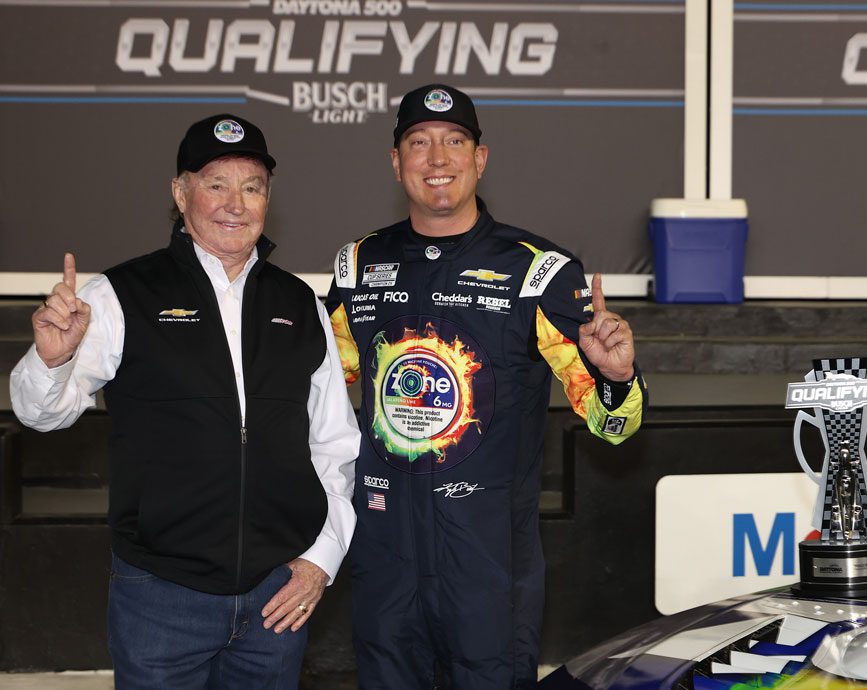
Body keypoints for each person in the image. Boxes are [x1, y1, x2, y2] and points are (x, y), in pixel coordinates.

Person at [8, 114, 360, 690]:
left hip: (277, 599)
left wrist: (321, 560)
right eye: (215, 183)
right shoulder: (120, 294)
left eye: (252, 186)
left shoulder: (300, 303)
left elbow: (336, 445)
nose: (235, 203)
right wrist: (51, 359)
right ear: (180, 192)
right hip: (160, 599)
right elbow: (41, 413)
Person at [327, 83, 646, 689]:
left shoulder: (538, 270)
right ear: (396, 162)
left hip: (487, 564)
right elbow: (318, 390)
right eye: (418, 143)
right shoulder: (358, 266)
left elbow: (613, 425)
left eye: (454, 141)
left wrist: (617, 377)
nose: (437, 158)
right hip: (384, 555)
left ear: (481, 158)